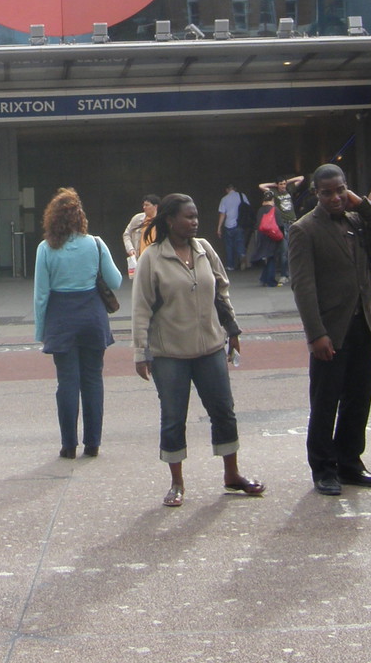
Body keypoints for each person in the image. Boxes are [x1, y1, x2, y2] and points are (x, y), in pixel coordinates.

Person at [132, 193, 264, 507]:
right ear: (169, 220)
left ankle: (232, 475)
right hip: (170, 354)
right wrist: (140, 352)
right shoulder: (152, 257)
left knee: (224, 411)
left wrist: (232, 331)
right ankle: (176, 483)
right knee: (174, 418)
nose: (194, 222)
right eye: (187, 217)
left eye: (195, 216)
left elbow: (222, 289)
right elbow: (141, 309)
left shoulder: (204, 249)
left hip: (210, 348)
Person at [286, 163, 371, 495]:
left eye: (340, 190)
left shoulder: (356, 220)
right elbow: (303, 288)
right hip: (331, 330)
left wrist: (363, 204)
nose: (335, 197)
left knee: (359, 397)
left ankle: (350, 461)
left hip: (365, 323)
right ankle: (323, 467)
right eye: (327, 193)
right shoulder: (304, 230)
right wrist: (315, 334)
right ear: (316, 194)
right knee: (325, 402)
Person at [33, 188, 122, 459]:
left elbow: (41, 295)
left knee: (67, 382)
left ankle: (68, 445)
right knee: (93, 379)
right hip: (92, 317)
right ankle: (93, 443)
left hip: (61, 318)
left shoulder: (46, 249)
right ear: (80, 216)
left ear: (53, 218)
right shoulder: (95, 244)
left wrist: (41, 331)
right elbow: (116, 281)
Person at [121, 194, 159, 278]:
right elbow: (126, 234)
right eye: (143, 205)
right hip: (140, 259)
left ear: (155, 206)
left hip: (157, 260)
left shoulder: (162, 221)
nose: (144, 207)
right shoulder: (138, 219)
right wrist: (130, 248)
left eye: (147, 205)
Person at [216, 184, 250, 271]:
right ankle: (242, 255)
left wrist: (219, 228)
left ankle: (230, 265)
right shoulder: (242, 196)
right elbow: (248, 208)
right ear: (235, 189)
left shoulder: (224, 199)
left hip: (228, 225)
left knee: (229, 246)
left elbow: (222, 214)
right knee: (240, 242)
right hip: (239, 224)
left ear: (227, 190)